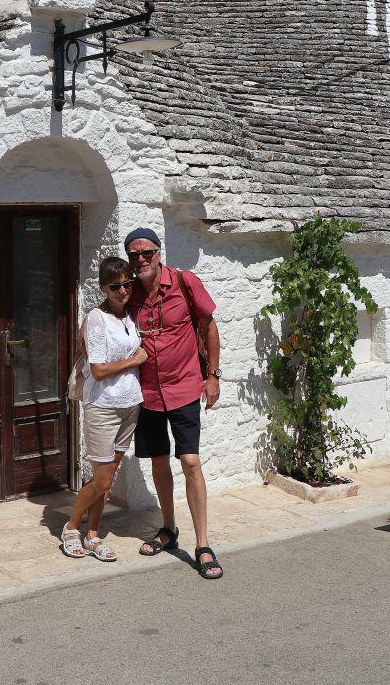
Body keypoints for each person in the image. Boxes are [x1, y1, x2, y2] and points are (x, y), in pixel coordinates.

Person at [124, 228, 224, 580]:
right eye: (134, 255)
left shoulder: (184, 282)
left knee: (191, 461)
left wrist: (212, 376)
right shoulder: (129, 293)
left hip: (184, 387)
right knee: (159, 462)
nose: (141, 259)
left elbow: (208, 326)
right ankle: (168, 529)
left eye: (147, 252)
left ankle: (203, 543)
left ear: (158, 252)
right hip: (148, 392)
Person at [61, 257, 148, 560]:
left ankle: (93, 535)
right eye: (116, 286)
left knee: (109, 477)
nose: (123, 290)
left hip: (130, 405)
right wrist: (133, 360)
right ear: (103, 288)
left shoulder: (130, 315)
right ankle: (72, 526)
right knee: (101, 479)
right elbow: (97, 370)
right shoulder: (97, 319)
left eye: (127, 283)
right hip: (104, 406)